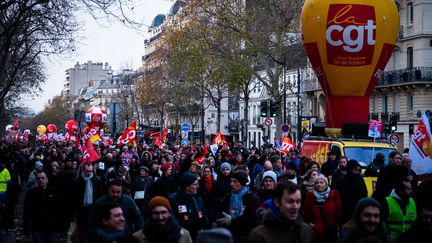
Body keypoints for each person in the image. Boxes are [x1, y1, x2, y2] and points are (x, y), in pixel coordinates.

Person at [248, 181, 315, 243]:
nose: (295, 207)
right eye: (290, 201)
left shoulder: (306, 231)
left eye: (298, 201)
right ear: (277, 202)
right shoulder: (258, 235)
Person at [218, 170, 259, 243]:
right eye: (231, 181)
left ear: (242, 184)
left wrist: (232, 221)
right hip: (228, 236)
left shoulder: (252, 199)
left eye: (235, 182)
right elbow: (221, 217)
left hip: (245, 237)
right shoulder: (227, 197)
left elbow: (251, 221)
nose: (231, 184)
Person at [169, 172, 211, 240]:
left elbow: (204, 215)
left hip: (197, 236)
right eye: (195, 185)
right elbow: (171, 220)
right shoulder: (174, 199)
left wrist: (206, 228)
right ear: (187, 187)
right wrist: (190, 221)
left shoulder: (198, 198)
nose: (198, 186)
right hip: (182, 237)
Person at [23, 171, 62, 243]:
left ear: (46, 179)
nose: (40, 180)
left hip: (51, 226)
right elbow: (26, 211)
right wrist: (25, 226)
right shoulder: (31, 193)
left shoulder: (54, 192)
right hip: (37, 226)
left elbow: (58, 209)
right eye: (38, 178)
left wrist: (59, 225)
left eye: (42, 178)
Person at [303, 174, 342, 243]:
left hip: (330, 231)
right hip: (315, 232)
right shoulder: (310, 197)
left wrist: (334, 225)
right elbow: (307, 215)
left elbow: (338, 212)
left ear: (326, 184)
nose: (319, 184)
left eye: (321, 182)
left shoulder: (334, 195)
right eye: (317, 183)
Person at [73, 162, 103, 242]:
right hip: (81, 210)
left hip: (93, 209)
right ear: (83, 170)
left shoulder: (96, 180)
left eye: (90, 171)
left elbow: (100, 195)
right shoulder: (77, 181)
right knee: (82, 232)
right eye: (87, 171)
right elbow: (74, 196)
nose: (89, 172)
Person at [333, 159, 368, 224]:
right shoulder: (341, 180)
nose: (357, 170)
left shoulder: (360, 179)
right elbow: (337, 196)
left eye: (358, 169)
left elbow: (364, 192)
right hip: (345, 211)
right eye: (355, 168)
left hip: (358, 209)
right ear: (350, 168)